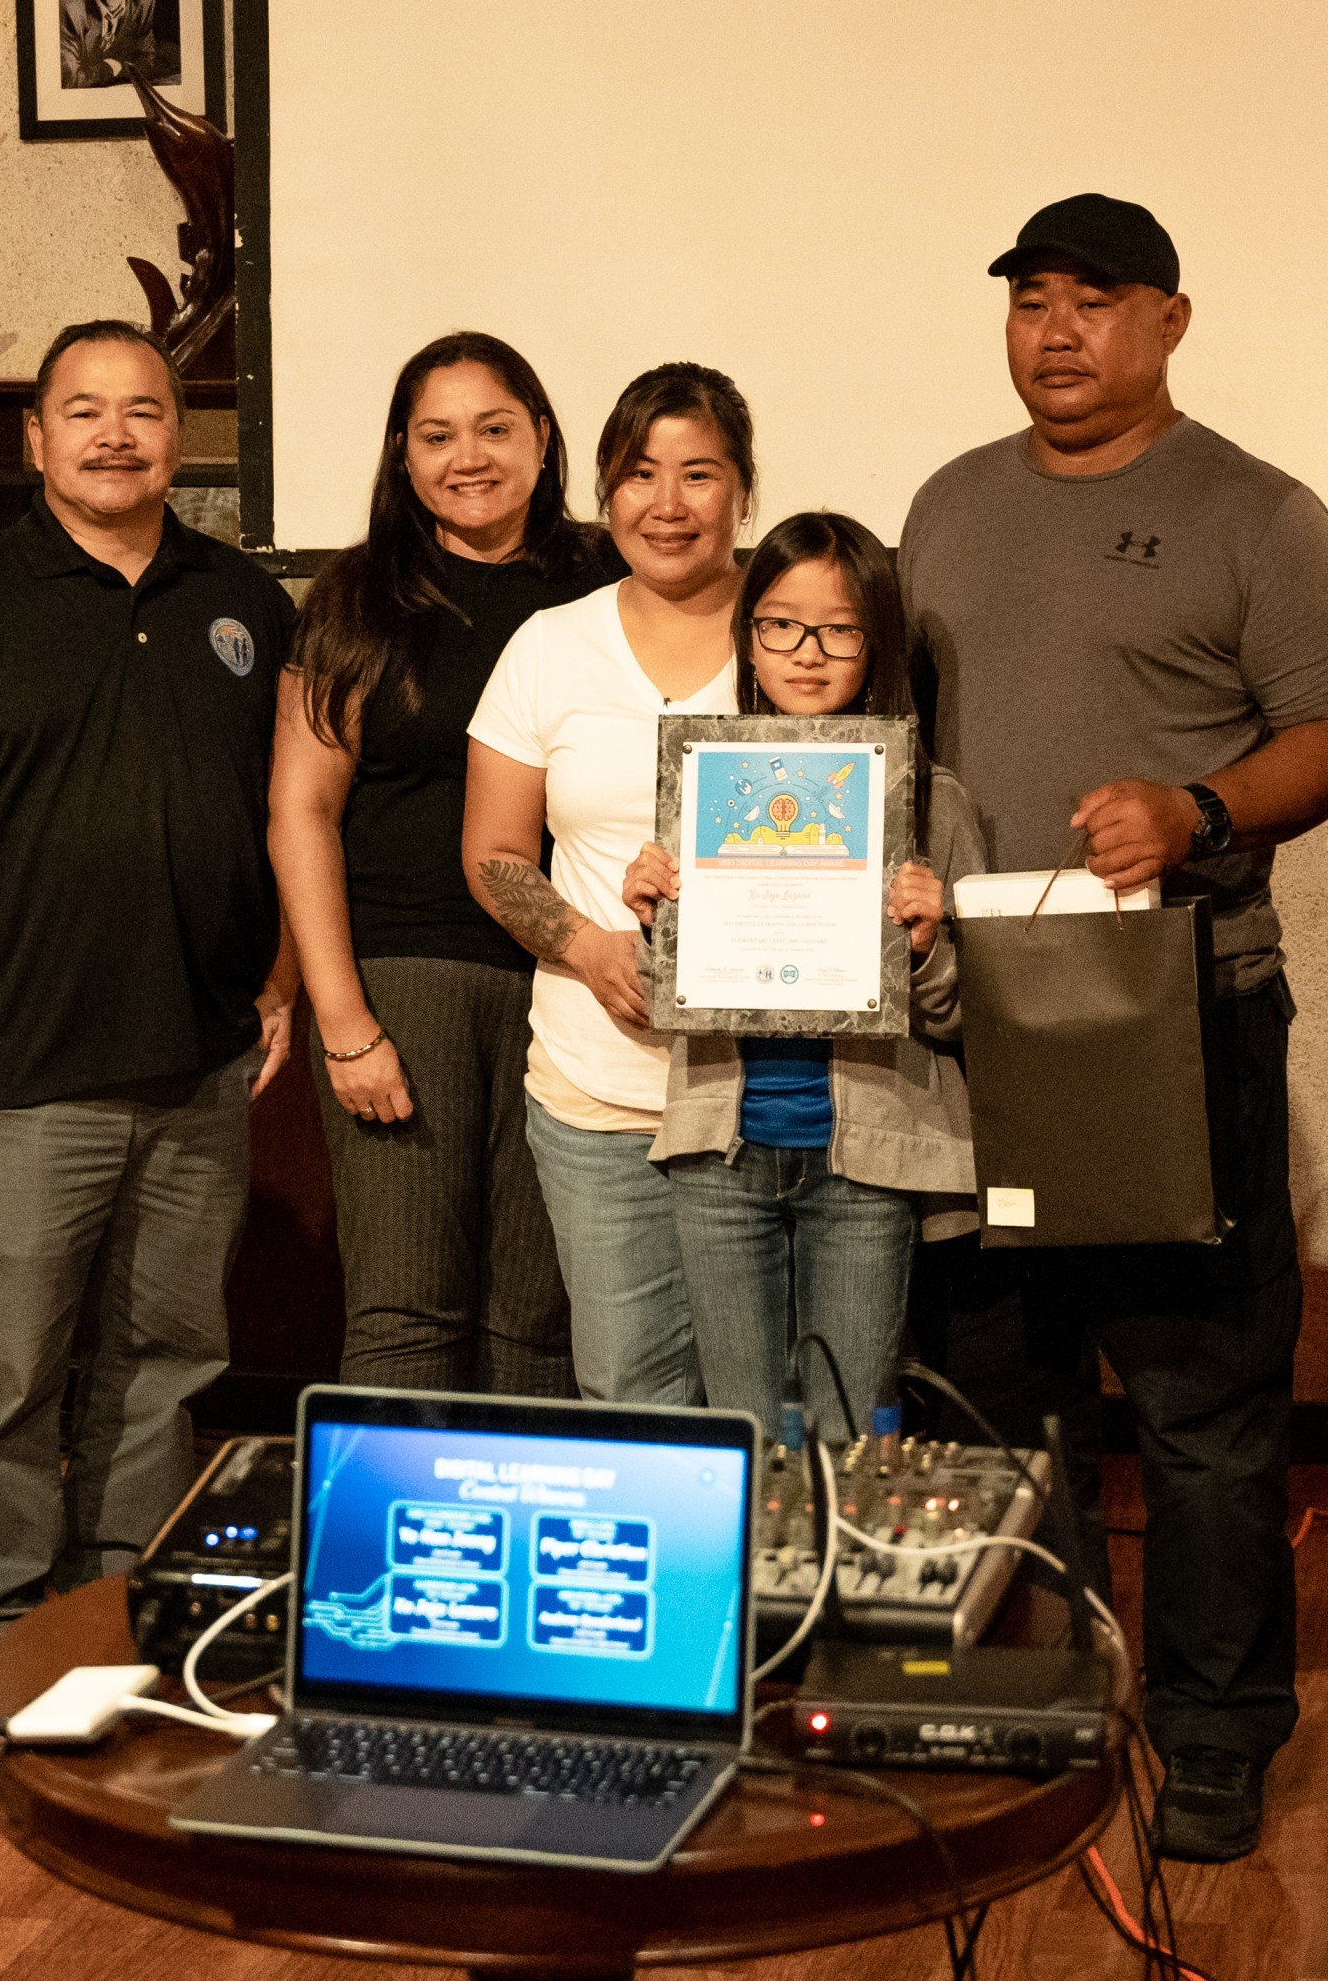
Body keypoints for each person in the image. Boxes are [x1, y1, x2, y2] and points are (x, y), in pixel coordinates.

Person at [898, 193, 1328, 1866]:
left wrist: (1196, 807)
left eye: (1092, 302)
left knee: (1198, 1403)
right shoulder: (945, 507)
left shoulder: (1257, 510)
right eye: (1030, 300)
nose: (1055, 331)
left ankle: (1215, 1731)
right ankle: (1042, 1705)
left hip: (1177, 1012)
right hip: (979, 1017)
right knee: (999, 1396)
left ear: (1170, 321)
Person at [0, 322, 297, 1754]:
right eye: (83, 411)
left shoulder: (242, 601)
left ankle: (114, 1617)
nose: (116, 434)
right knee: (4, 1374)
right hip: (17, 1072)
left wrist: (279, 977)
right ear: (34, 437)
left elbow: (284, 813)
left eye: (145, 410)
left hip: (200, 1063)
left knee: (165, 1356)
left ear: (182, 434)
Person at [268, 331, 603, 1398]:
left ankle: (517, 1559)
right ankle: (389, 1562)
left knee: (539, 1318)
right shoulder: (355, 598)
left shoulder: (610, 580)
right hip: (401, 981)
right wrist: (342, 1020)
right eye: (437, 434)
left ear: (543, 441)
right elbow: (301, 810)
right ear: (402, 457)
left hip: (572, 984)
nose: (469, 456)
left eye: (495, 427)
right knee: (406, 1309)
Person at [620, 512, 983, 1426]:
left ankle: (838, 1574)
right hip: (720, 1149)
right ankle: (749, 1576)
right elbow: (672, 994)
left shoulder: (930, 799)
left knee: (848, 1426)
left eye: (839, 628)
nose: (808, 652)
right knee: (741, 1427)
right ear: (749, 639)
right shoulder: (703, 777)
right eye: (780, 624)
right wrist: (652, 917)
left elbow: (973, 1011)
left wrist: (927, 944)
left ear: (876, 641)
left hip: (864, 1160)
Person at [461, 364, 755, 1408]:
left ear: (743, 493)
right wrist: (590, 947)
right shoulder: (549, 645)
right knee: (629, 1385)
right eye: (637, 474)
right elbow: (494, 854)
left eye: (698, 474)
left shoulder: (792, 638)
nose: (665, 504)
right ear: (602, 490)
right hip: (596, 1091)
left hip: (766, 1090)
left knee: (765, 1393)